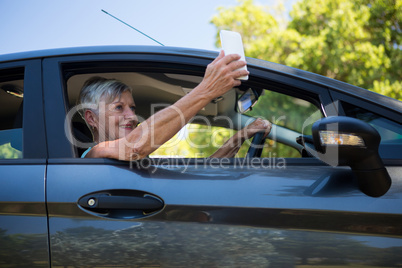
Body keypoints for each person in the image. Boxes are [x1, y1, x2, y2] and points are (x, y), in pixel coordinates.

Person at [77, 51, 272, 160]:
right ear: (91, 118)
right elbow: (134, 146)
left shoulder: (137, 159)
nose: (133, 116)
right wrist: (206, 90)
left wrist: (241, 136)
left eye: (132, 108)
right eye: (119, 107)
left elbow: (206, 170)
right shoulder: (94, 156)